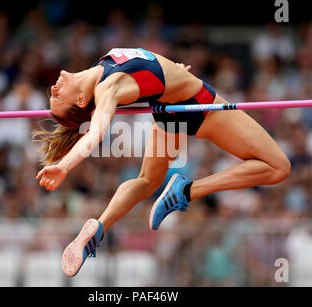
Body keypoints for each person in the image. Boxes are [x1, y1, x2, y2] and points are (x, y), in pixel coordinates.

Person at [33, 48, 291, 277]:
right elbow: (96, 132)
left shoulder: (101, 67)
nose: (53, 91)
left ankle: (100, 224)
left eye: (53, 97)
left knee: (147, 181)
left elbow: (148, 74)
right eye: (57, 98)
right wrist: (64, 166)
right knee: (278, 167)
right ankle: (187, 191)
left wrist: (174, 73)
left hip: (169, 111)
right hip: (199, 105)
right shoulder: (107, 87)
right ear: (80, 101)